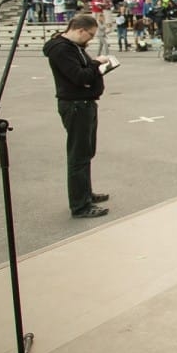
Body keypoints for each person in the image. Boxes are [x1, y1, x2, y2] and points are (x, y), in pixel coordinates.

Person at [43, 13, 111, 219]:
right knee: (78, 155)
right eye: (89, 35)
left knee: (85, 152)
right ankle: (80, 205)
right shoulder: (62, 49)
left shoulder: (73, 48)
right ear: (80, 30)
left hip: (84, 103)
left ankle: (85, 194)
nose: (89, 40)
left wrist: (95, 68)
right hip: (75, 105)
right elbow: (79, 76)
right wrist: (96, 64)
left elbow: (83, 73)